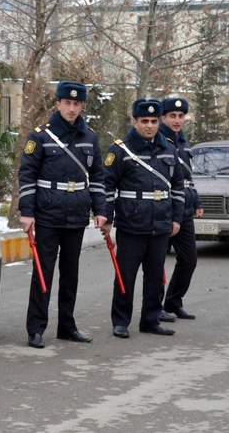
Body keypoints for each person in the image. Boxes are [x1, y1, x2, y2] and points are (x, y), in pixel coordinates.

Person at [18, 81, 108, 349]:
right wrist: (27, 212)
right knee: (43, 273)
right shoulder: (40, 136)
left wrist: (101, 210)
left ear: (82, 106)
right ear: (57, 104)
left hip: (77, 213)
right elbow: (27, 175)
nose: (71, 108)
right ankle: (36, 329)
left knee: (71, 274)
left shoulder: (89, 137)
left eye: (76, 104)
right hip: (48, 212)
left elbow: (97, 177)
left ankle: (67, 326)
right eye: (67, 103)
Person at [102, 99, 184, 339]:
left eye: (154, 121)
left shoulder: (169, 148)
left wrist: (177, 218)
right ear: (134, 121)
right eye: (144, 121)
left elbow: (178, 186)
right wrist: (106, 217)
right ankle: (121, 322)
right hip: (131, 224)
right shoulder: (120, 150)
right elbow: (107, 185)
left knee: (155, 276)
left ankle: (151, 320)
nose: (150, 125)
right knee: (125, 276)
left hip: (161, 223)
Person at [158, 97, 202, 321]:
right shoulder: (158, 141)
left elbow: (187, 177)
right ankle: (155, 307)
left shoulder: (183, 142)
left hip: (184, 209)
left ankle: (173, 302)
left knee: (189, 259)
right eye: (172, 116)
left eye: (181, 116)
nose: (177, 120)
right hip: (164, 207)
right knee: (156, 262)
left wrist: (196, 202)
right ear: (163, 118)